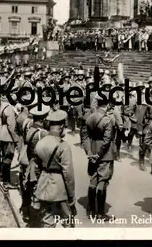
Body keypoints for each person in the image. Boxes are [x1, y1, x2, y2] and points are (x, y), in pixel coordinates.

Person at [33, 110, 76, 228]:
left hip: (43, 184)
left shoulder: (40, 143)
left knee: (47, 220)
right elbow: (68, 174)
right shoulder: (63, 146)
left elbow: (36, 168)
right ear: (62, 127)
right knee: (68, 221)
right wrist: (71, 195)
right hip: (60, 188)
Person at [81, 92, 117, 220]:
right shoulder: (107, 120)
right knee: (103, 180)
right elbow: (107, 141)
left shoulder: (90, 117)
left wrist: (90, 153)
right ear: (107, 105)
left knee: (93, 180)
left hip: (93, 149)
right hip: (105, 154)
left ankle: (90, 210)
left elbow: (84, 136)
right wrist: (99, 155)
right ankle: (100, 213)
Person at [19, 104, 50, 227]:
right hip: (37, 164)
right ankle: (35, 218)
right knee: (37, 190)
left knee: (27, 187)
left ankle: (26, 211)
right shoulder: (42, 133)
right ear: (43, 118)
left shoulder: (29, 127)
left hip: (27, 161)